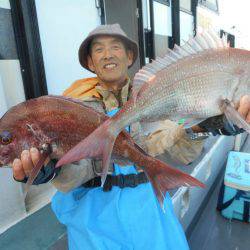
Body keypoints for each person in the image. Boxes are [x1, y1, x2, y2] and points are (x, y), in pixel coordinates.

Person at [12, 24, 250, 249]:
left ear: (129, 58)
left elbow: (171, 150)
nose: (107, 55)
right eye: (98, 49)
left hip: (148, 212)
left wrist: (203, 127)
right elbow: (75, 173)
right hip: (93, 219)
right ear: (90, 62)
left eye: (115, 47)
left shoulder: (155, 94)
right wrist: (52, 170)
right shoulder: (71, 107)